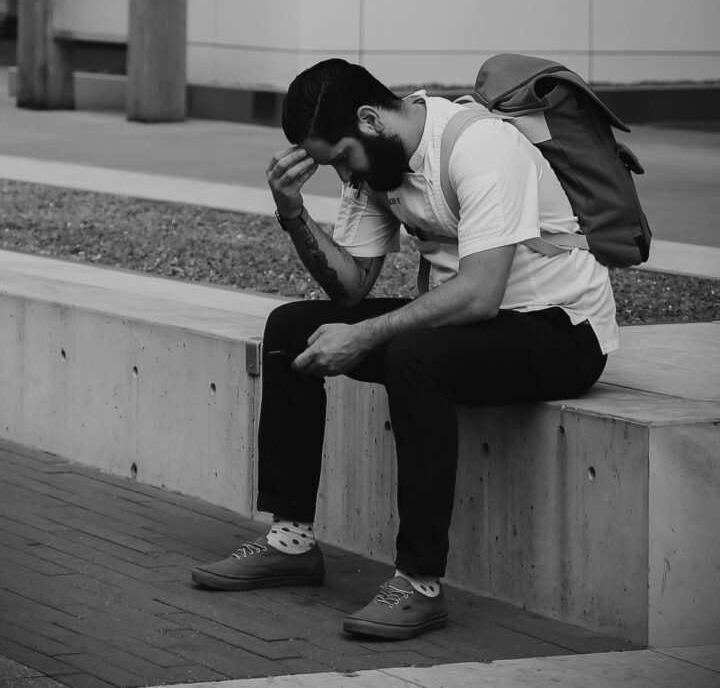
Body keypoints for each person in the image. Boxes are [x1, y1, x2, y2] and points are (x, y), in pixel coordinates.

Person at [191, 58, 616, 640]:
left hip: (561, 331)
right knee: (291, 328)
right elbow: (350, 287)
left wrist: (366, 335)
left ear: (371, 118)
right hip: (474, 326)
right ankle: (291, 541)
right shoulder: (378, 167)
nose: (342, 174)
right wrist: (292, 212)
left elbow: (480, 295)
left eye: (341, 157)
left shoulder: (479, 146)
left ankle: (419, 582)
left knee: (412, 355)